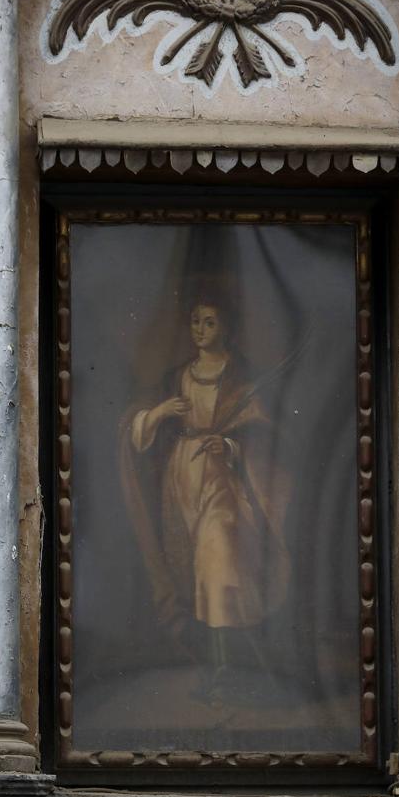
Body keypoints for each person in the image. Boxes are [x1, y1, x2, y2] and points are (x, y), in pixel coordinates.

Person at [119, 287, 291, 698]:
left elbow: (265, 435)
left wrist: (230, 446)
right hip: (181, 480)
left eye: (209, 322)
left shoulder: (241, 376)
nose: (200, 329)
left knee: (219, 561)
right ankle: (214, 659)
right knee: (195, 568)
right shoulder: (178, 375)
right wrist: (160, 413)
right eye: (195, 321)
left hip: (224, 481)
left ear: (226, 326)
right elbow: (137, 427)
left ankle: (224, 665)